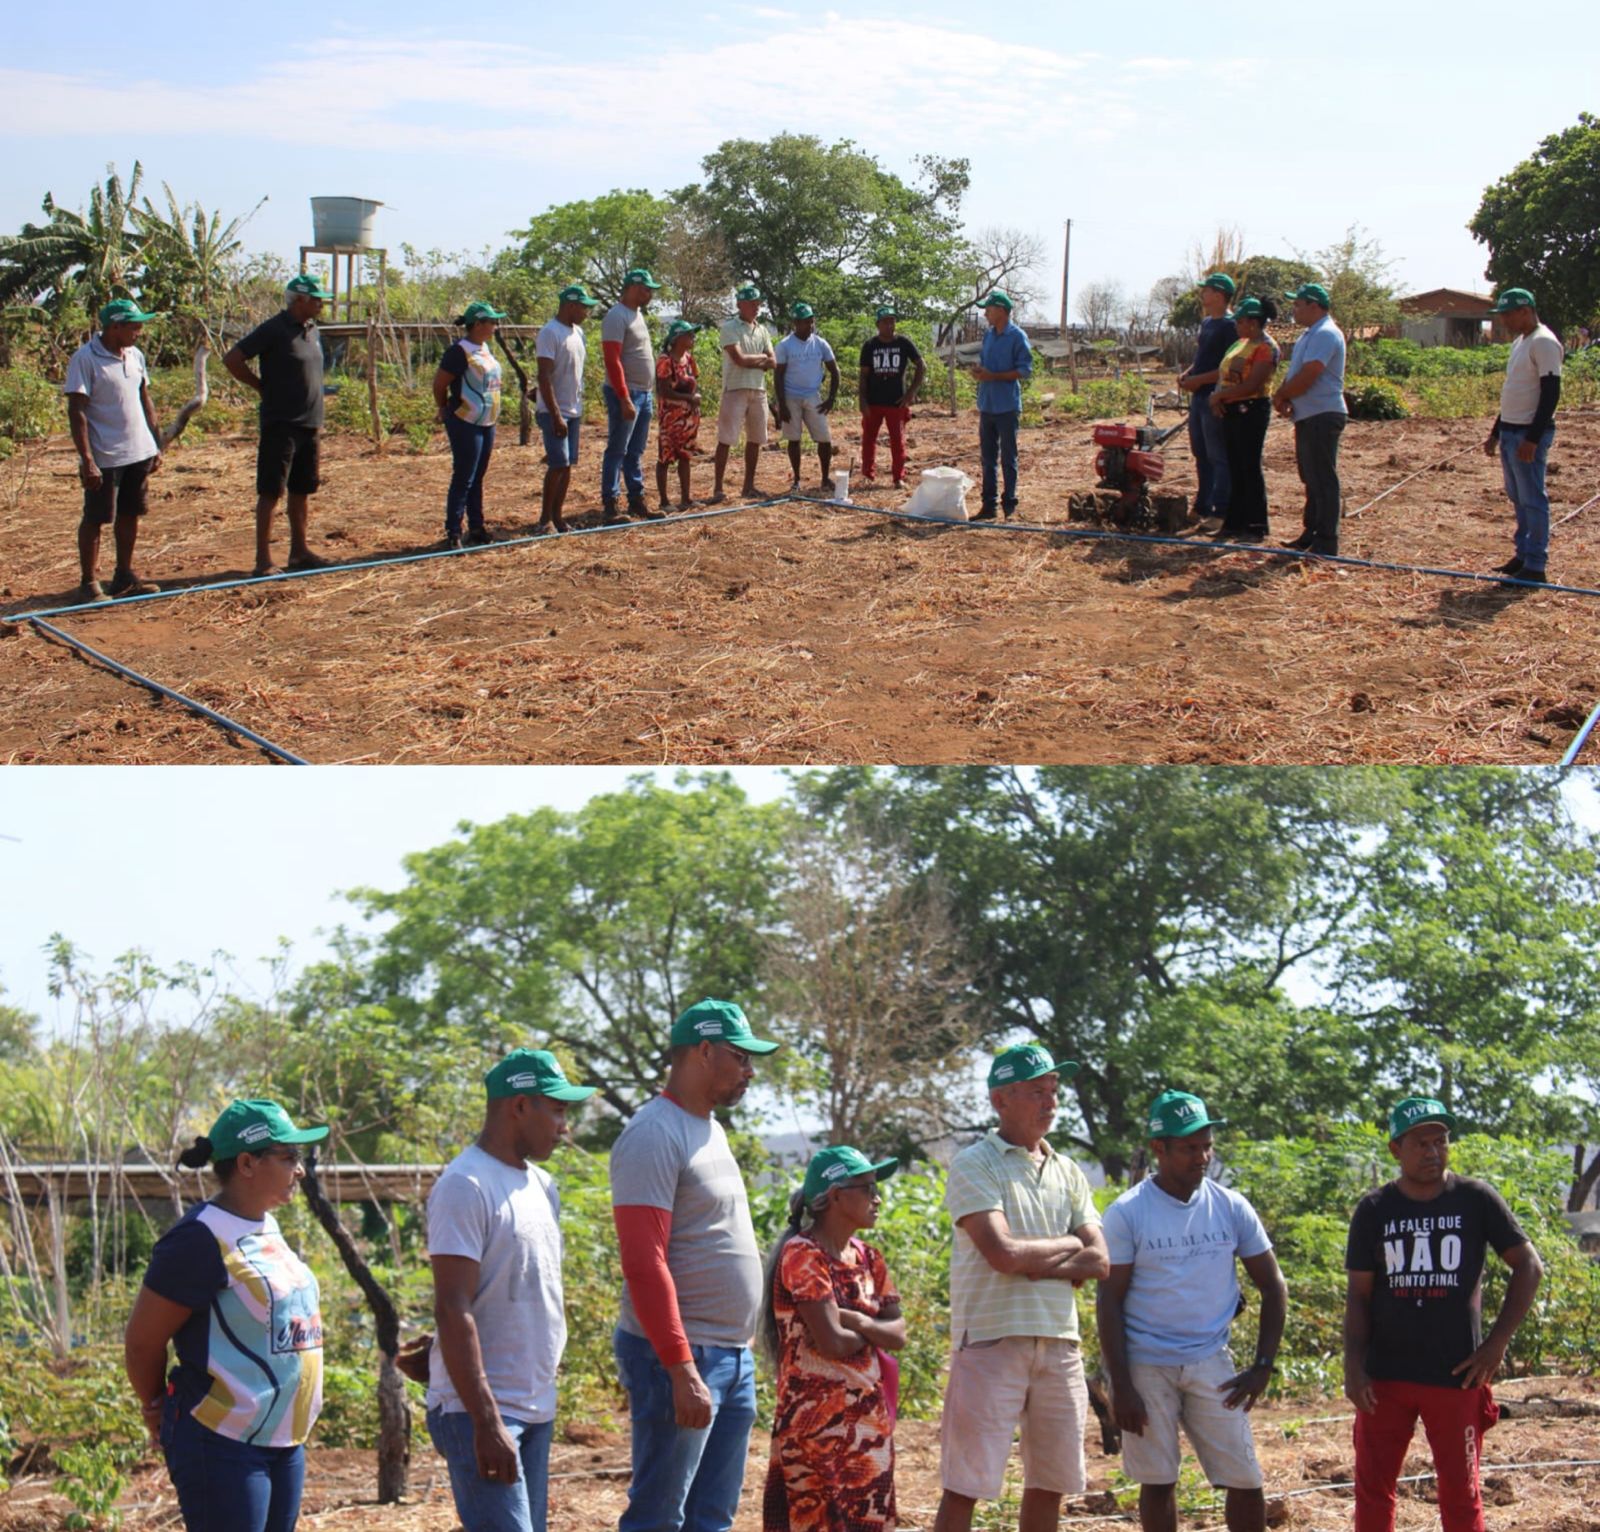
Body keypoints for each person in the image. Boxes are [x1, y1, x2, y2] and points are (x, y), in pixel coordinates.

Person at [610, 998, 783, 1532]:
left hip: (730, 1355)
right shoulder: (653, 1134)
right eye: (741, 1057)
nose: (751, 1072)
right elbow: (644, 1262)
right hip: (682, 1357)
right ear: (704, 1051)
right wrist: (681, 1367)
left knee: (712, 1517)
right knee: (660, 1517)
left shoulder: (710, 1129)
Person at [123, 1099, 329, 1532]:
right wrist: (154, 1405)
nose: (300, 1169)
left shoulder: (264, 1224)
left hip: (282, 1441)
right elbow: (143, 1340)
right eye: (289, 1157)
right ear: (247, 1163)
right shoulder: (199, 1239)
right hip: (223, 1440)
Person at [1344, 1096, 1544, 1532]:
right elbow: (1358, 1296)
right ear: (1396, 1149)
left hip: (1457, 1375)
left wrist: (1496, 1344)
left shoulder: (1475, 1199)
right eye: (1421, 1143)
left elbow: (1529, 1266)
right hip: (1386, 1376)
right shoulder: (1375, 1210)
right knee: (1374, 1490)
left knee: (1461, 1492)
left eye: (1441, 1141)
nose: (1433, 1151)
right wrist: (1353, 1367)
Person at [934, 1044, 1109, 1532]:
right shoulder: (976, 1163)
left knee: (1050, 1484)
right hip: (991, 1341)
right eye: (1036, 1091)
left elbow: (1099, 1261)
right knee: (966, 1485)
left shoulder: (1068, 1170)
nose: (1049, 1102)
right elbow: (1002, 1254)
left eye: (1053, 1090)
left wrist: (1037, 1260)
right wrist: (1068, 1244)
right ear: (1000, 1100)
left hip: (1059, 1343)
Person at [1097, 1090, 1287, 1532]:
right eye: (1188, 1147)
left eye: (1206, 1145)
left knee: (1245, 1478)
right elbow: (1109, 1301)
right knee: (1159, 1480)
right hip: (1146, 1363)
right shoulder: (1128, 1213)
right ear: (1158, 1149)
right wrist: (1119, 1384)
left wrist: (1263, 1365)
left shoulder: (1230, 1205)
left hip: (1211, 1359)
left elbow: (1273, 1285)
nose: (1201, 1156)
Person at [426, 1049, 598, 1532]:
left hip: (534, 1404)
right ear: (519, 1106)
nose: (565, 1125)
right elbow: (452, 1306)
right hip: (481, 1413)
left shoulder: (542, 1185)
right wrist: (485, 1421)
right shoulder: (465, 1185)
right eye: (557, 1109)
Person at [760, 1145, 905, 1532]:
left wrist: (857, 1320)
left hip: (868, 1423)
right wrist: (874, 1329)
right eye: (868, 1188)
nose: (878, 1199)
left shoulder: (869, 1257)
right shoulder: (803, 1255)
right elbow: (832, 1344)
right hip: (817, 1429)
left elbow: (899, 1334)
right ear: (836, 1195)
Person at [225, 273, 333, 576]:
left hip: (309, 423)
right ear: (299, 300)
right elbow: (233, 359)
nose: (321, 305)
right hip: (281, 423)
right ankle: (263, 560)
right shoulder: (273, 329)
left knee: (302, 489)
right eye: (316, 299)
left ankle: (299, 551)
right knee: (272, 491)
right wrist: (261, 386)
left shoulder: (313, 330)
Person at [62, 297, 166, 600]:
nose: (139, 331)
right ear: (115, 326)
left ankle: (124, 575)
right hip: (105, 454)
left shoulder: (135, 355)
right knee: (96, 517)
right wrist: (87, 459)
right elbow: (77, 410)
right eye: (134, 326)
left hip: (138, 450)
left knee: (130, 513)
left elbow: (144, 398)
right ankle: (88, 583)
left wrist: (154, 444)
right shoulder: (85, 358)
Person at [1481, 287, 1563, 587]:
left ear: (1525, 310)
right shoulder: (1521, 342)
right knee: (1518, 496)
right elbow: (1513, 392)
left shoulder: (1543, 342)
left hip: (1527, 433)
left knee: (1533, 498)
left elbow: (1551, 392)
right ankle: (1523, 555)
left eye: (1507, 314)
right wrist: (1495, 431)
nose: (1503, 321)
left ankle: (1536, 563)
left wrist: (1533, 437)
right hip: (1511, 430)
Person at [1272, 282, 1347, 556]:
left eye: (1298, 304)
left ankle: (1326, 540)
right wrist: (1285, 397)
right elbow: (1297, 372)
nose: (1294, 309)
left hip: (1322, 414)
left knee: (1323, 478)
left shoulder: (1326, 333)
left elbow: (1309, 374)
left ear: (1313, 305)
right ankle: (1310, 533)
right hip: (1309, 414)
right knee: (1311, 477)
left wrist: (1281, 395)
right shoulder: (1310, 334)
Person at [433, 301, 507, 550]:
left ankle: (477, 527)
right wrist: (443, 408)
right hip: (465, 421)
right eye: (492, 322)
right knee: (464, 476)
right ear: (478, 325)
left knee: (478, 477)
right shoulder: (459, 352)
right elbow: (440, 384)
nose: (496, 326)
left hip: (487, 422)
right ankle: (453, 531)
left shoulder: (484, 348)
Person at [1208, 298, 1281, 542]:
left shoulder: (1266, 348)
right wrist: (1218, 399)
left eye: (1240, 321)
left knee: (1249, 465)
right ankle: (1234, 521)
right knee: (1234, 466)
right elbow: (1224, 375)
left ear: (1253, 322)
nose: (1236, 325)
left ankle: (1256, 523)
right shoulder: (1239, 344)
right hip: (1230, 410)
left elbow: (1252, 384)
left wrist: (1221, 396)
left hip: (1251, 410)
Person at [534, 284, 600, 534]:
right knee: (558, 463)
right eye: (584, 307)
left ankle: (558, 517)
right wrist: (555, 415)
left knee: (568, 464)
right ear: (570, 305)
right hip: (554, 412)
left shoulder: (578, 333)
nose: (586, 312)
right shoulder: (549, 333)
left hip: (573, 410)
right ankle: (544, 520)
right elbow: (544, 376)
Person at [601, 268, 665, 524]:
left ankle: (636, 499)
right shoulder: (616, 316)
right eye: (646, 289)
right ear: (633, 287)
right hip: (626, 393)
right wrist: (624, 397)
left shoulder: (637, 315)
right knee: (618, 449)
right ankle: (611, 503)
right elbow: (612, 359)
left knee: (635, 450)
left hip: (644, 393)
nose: (649, 294)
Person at [1179, 274, 1239, 534]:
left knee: (1218, 456)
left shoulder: (1231, 325)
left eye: (1206, 291)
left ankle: (1220, 510)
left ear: (1219, 294)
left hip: (1216, 397)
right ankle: (1202, 505)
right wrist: (1188, 374)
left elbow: (1228, 368)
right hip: (1199, 396)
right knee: (1200, 453)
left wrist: (1199, 380)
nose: (1202, 295)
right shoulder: (1207, 323)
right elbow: (1202, 358)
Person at [970, 291, 1033, 521]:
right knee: (987, 459)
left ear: (1001, 311)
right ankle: (989, 506)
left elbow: (1025, 370)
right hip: (987, 404)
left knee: (1008, 458)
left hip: (1007, 406)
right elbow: (987, 367)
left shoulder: (1017, 336)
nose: (985, 313)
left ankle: (1009, 505)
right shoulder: (988, 336)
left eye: (989, 308)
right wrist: (980, 372)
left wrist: (993, 376)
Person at [712, 285, 776, 504]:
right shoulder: (730, 327)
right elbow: (738, 359)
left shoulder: (763, 330)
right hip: (735, 388)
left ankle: (748, 486)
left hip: (758, 389)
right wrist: (761, 360)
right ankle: (718, 488)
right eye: (751, 304)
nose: (755, 308)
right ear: (739, 304)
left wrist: (755, 360)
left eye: (757, 304)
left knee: (755, 439)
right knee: (726, 439)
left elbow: (773, 361)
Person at [774, 302, 840, 491]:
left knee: (825, 440)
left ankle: (825, 479)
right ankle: (796, 480)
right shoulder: (785, 345)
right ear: (796, 323)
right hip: (791, 396)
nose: (808, 326)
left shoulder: (821, 343)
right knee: (794, 439)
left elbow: (835, 371)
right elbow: (778, 375)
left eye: (810, 321)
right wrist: (782, 405)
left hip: (813, 396)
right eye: (803, 322)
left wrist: (831, 399)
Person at [859, 305, 924, 488]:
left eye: (892, 321)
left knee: (898, 441)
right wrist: (862, 400)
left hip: (896, 402)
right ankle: (867, 475)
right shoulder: (870, 345)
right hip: (873, 402)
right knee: (868, 440)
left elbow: (921, 365)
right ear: (878, 324)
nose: (889, 325)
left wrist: (911, 392)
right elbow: (864, 375)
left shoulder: (903, 343)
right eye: (885, 321)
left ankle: (898, 477)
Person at [655, 320, 703, 512]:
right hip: (671, 418)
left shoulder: (689, 359)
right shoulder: (665, 361)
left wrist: (692, 402)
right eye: (689, 335)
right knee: (665, 458)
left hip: (688, 418)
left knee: (685, 456)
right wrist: (689, 398)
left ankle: (686, 499)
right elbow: (664, 390)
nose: (693, 338)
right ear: (678, 338)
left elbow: (694, 382)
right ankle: (664, 501)